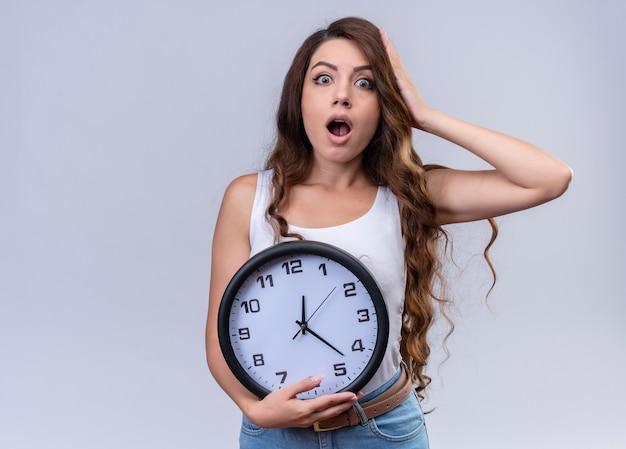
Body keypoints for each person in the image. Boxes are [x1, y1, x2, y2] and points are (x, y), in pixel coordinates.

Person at [205, 16, 572, 449]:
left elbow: (549, 178)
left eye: (366, 84)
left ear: (384, 105)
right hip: (275, 433)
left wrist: (426, 115)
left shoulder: (406, 197)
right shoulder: (248, 198)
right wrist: (253, 409)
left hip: (381, 430)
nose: (342, 95)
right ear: (298, 97)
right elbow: (219, 338)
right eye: (323, 79)